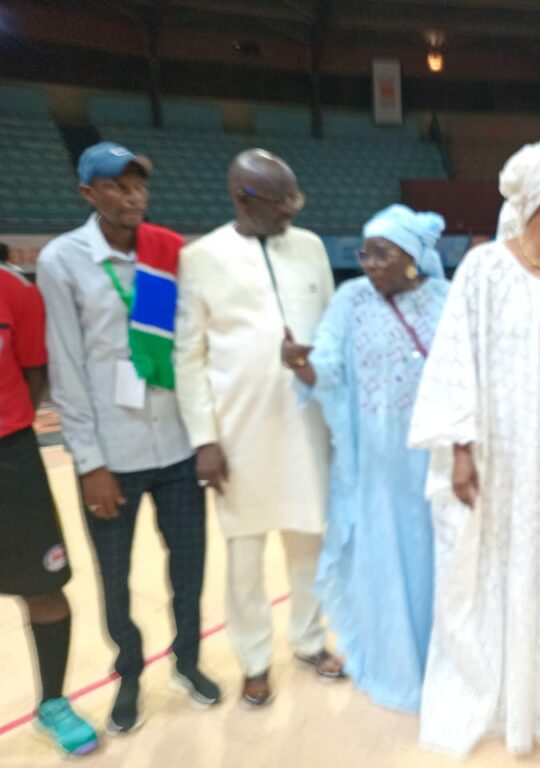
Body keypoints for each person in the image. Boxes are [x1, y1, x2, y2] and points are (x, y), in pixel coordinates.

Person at [408, 134, 540, 756]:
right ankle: (492, 704)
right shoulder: (485, 269)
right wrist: (460, 449)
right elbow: (454, 357)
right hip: (494, 461)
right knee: (484, 574)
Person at [37, 142, 220, 734]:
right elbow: (67, 368)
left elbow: (191, 351)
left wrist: (206, 437)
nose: (133, 196)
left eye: (139, 184)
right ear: (88, 193)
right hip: (112, 457)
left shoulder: (167, 251)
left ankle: (188, 661)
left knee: (189, 567)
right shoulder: (64, 260)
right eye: (117, 185)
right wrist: (89, 463)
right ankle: (130, 673)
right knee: (114, 580)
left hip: (177, 447)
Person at [173, 149, 343, 707]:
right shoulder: (201, 258)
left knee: (309, 543)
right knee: (244, 558)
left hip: (307, 427)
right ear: (244, 198)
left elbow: (332, 330)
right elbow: (188, 357)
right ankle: (253, 659)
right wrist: (205, 439)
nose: (292, 210)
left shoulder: (311, 247)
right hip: (238, 437)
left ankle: (310, 639)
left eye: (296, 198)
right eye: (281, 201)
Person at [280, 204, 449, 712]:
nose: (370, 265)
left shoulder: (446, 300)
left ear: (412, 257)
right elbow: (328, 366)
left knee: (435, 557)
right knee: (385, 555)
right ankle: (392, 659)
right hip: (375, 464)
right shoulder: (351, 299)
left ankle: (443, 663)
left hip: (436, 460)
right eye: (365, 254)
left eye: (382, 254)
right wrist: (303, 364)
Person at [0, 259, 98, 756]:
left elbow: (34, 370)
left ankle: (54, 704)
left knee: (44, 586)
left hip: (11, 457)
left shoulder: (14, 289)